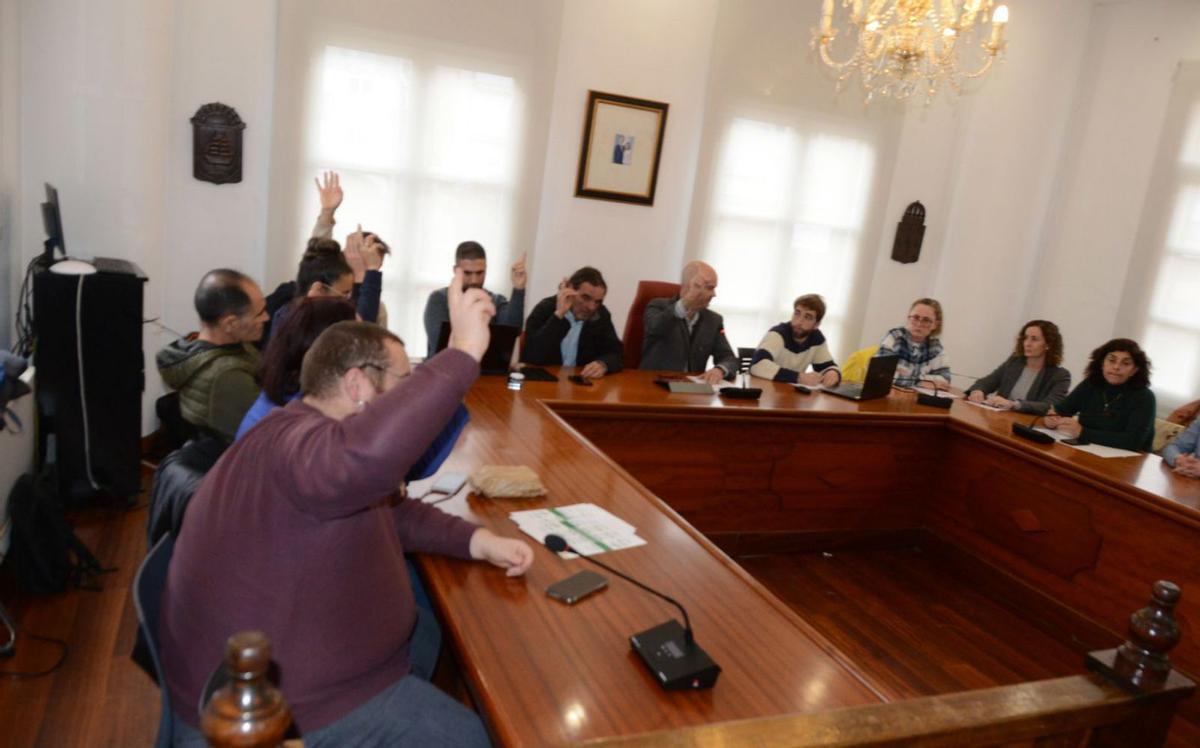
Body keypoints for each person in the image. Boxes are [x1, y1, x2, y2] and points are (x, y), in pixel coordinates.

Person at [160, 270, 533, 746]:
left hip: (315, 674)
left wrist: (478, 541)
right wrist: (461, 352)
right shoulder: (296, 447)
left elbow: (390, 511)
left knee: (433, 632)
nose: (409, 390)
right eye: (404, 379)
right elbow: (366, 460)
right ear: (357, 384)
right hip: (283, 709)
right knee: (470, 736)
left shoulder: (301, 432)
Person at [156, 269, 269, 442]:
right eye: (260, 313)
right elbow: (267, 436)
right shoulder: (228, 376)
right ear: (230, 323)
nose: (266, 318)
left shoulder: (229, 345)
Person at [1044, 338, 1155, 452]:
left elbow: (1133, 441)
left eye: (1125, 363)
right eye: (1112, 360)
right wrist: (1052, 418)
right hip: (1087, 451)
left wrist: (1082, 432)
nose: (1116, 367)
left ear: (1134, 370)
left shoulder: (1144, 397)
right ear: (1102, 363)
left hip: (1129, 461)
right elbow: (1062, 410)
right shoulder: (1091, 384)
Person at [640, 261, 737, 384]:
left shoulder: (714, 320)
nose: (714, 294)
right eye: (709, 288)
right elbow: (655, 327)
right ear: (687, 286)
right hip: (654, 385)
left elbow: (729, 358)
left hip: (691, 391)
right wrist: (686, 302)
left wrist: (720, 370)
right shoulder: (657, 306)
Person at [424, 241, 526, 357]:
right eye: (467, 273)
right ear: (455, 270)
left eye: (479, 273)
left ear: (486, 269)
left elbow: (512, 332)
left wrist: (518, 289)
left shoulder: (496, 301)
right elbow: (441, 345)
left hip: (487, 373)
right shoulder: (438, 300)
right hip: (446, 371)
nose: (474, 280)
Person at [521, 266, 623, 379]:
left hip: (580, 385)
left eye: (597, 301)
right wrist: (559, 315)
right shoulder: (545, 309)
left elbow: (616, 353)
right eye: (586, 297)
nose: (591, 307)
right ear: (569, 289)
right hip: (544, 383)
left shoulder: (600, 315)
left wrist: (603, 364)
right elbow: (533, 356)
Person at [966, 320, 1071, 414]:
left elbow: (1050, 406)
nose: (1027, 343)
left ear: (1048, 344)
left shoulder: (1060, 376)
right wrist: (978, 391)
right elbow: (989, 381)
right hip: (999, 420)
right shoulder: (1015, 362)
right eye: (1025, 338)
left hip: (1025, 427)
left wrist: (1014, 404)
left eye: (1034, 339)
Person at [749, 294, 840, 386]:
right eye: (797, 313)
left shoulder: (816, 338)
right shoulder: (778, 334)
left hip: (788, 393)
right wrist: (799, 377)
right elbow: (757, 365)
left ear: (816, 324)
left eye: (807, 317)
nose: (799, 321)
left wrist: (832, 372)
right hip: (761, 391)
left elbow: (827, 366)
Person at [878, 298, 950, 388]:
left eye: (926, 320)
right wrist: (920, 382)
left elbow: (945, 380)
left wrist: (906, 376)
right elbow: (882, 373)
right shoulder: (895, 336)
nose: (919, 324)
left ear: (935, 324)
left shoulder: (935, 346)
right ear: (908, 318)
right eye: (915, 317)